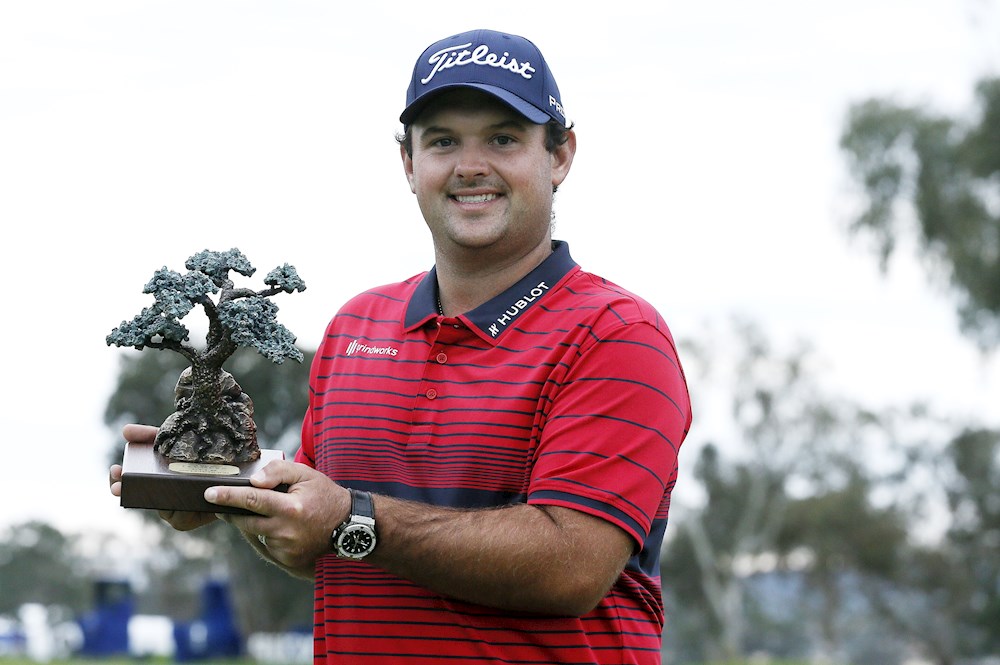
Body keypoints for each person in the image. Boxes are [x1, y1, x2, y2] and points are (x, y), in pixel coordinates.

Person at [110, 28, 692, 664]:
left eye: (503, 138)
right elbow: (316, 542)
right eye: (443, 141)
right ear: (410, 164)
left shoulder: (616, 335)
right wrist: (221, 493)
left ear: (559, 156)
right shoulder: (356, 326)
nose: (470, 166)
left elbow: (571, 567)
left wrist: (351, 517)